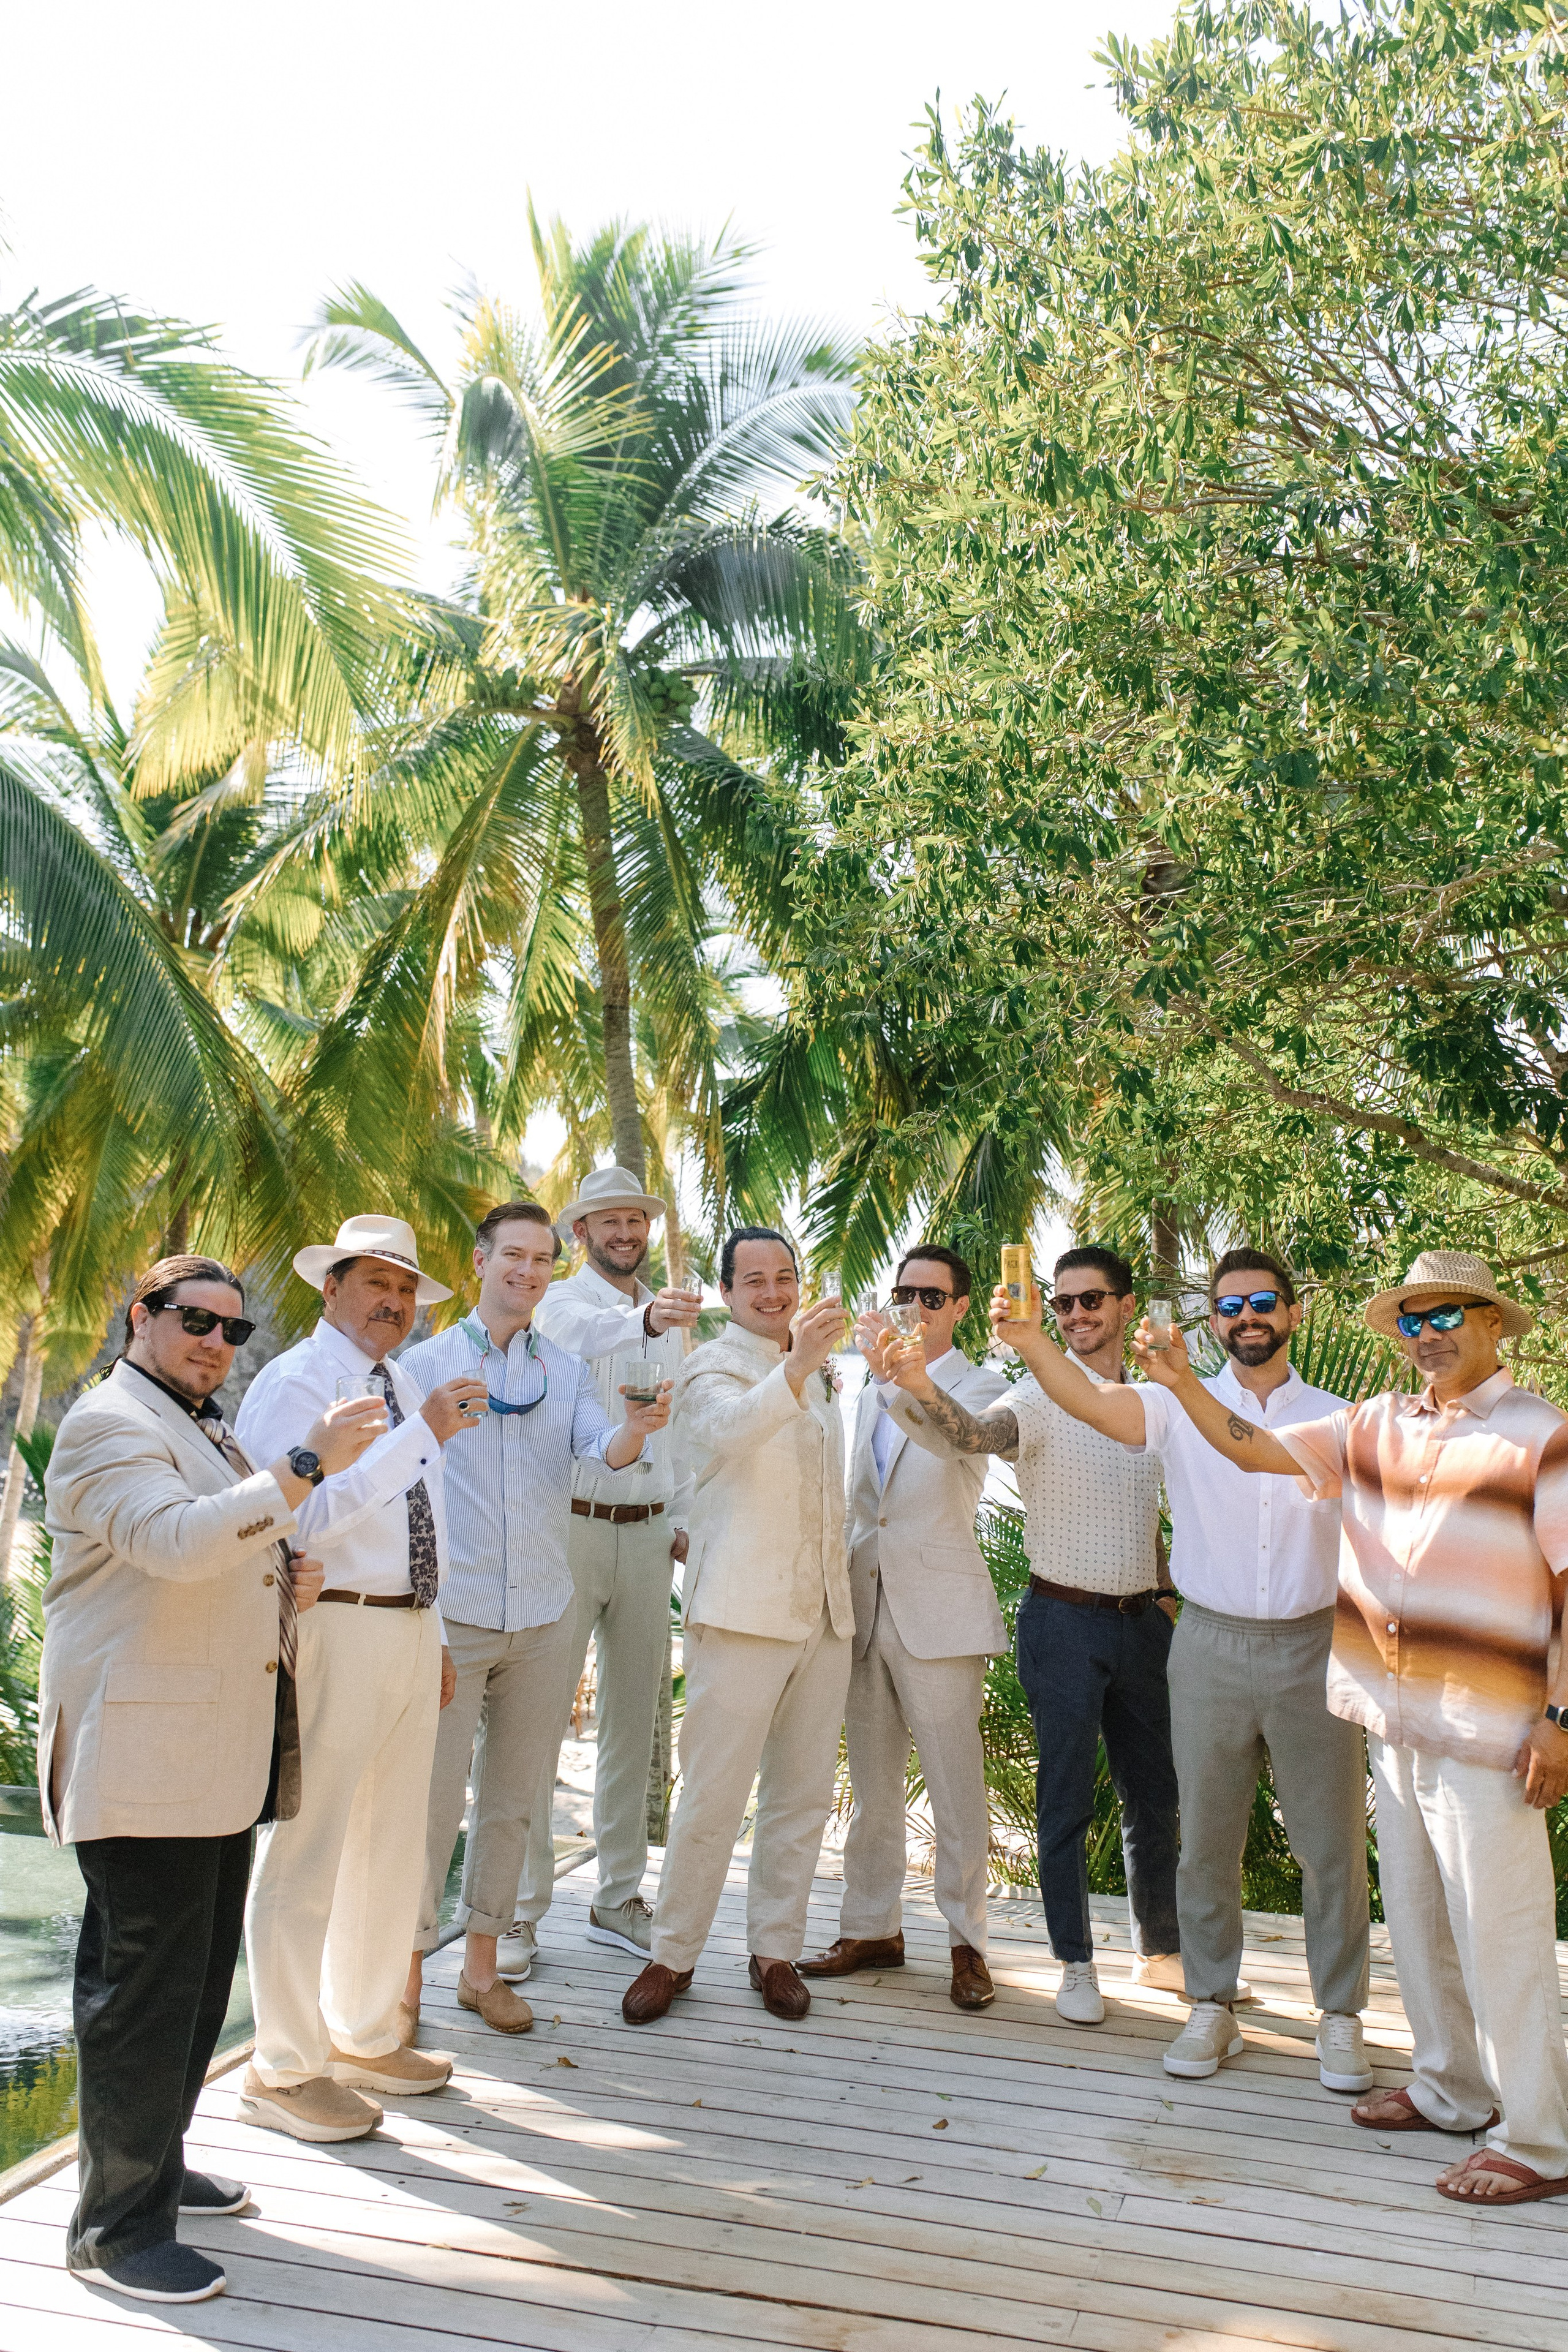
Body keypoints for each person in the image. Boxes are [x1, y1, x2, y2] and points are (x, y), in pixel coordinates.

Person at [1134, 1250, 1568, 2206]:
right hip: (1393, 1719)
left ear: (1495, 1323)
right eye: (1411, 1320)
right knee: (1416, 1920)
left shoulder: (1541, 1436)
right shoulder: (1372, 1425)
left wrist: (1559, 1716)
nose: (1428, 1334)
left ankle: (1540, 2138)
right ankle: (1452, 2088)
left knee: (1502, 1930)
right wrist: (1173, 1381)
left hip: (1492, 1726)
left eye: (1449, 1314)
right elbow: (1250, 1449)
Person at [38, 1254, 381, 2304]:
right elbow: (175, 1543)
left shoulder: (196, 1420)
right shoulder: (108, 1424)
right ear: (140, 1316)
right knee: (142, 1992)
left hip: (208, 1756)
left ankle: (155, 2166)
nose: (214, 1344)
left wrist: (285, 1576)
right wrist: (305, 1467)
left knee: (191, 1990)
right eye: (195, 1322)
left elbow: (217, 1550)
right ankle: (111, 2227)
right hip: (141, 1758)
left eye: (232, 1332)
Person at [962, 1248, 1368, 2091]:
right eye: (1230, 1306)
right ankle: (1210, 2006)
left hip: (1311, 1647)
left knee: (1329, 1847)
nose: (1246, 1317)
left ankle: (1340, 2020)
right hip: (1209, 1644)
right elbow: (1085, 1401)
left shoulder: (1341, 1418)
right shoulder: (1172, 1402)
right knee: (1205, 1841)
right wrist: (1036, 1340)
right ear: (1214, 1321)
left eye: (1263, 1302)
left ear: (1291, 1314)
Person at [873, 1245, 1179, 2028]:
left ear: (1122, 1303)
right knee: (1065, 1801)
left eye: (1090, 1301)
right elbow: (973, 1437)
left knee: (1155, 1797)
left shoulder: (1158, 1401)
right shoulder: (1038, 1397)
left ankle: (1162, 1951)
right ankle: (1074, 1963)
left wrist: (1171, 1591)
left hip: (1146, 1623)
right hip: (1061, 1621)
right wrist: (914, 1385)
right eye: (1064, 1302)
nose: (1075, 1315)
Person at [235, 1215, 489, 2142]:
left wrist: (440, 1630)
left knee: (392, 1844)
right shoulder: (294, 1383)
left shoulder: (401, 1378)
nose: (394, 1303)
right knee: (307, 1847)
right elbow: (301, 1518)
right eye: (376, 1283)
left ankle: (366, 2031)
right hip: (332, 1622)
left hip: (409, 1631)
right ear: (331, 1286)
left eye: (406, 1288)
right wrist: (417, 1435)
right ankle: (284, 2066)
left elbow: (422, 1518)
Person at [401, 1200, 672, 2034]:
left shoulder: (564, 1370)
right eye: (512, 1256)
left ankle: (482, 1971)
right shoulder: (426, 1364)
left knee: (514, 1801)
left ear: (555, 1270)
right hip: (457, 1615)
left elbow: (601, 1450)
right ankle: (402, 1985)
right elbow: (401, 1483)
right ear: (480, 1261)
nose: (526, 1270)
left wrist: (634, 1430)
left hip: (545, 1616)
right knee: (433, 1806)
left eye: (541, 1259)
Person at [622, 1228, 854, 2026]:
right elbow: (725, 1434)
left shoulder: (820, 1375)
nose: (773, 1291)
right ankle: (673, 1954)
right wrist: (795, 1364)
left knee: (801, 1797)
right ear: (727, 1294)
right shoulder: (709, 1367)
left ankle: (776, 1950)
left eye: (784, 1276)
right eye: (753, 1280)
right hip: (741, 1613)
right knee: (713, 1797)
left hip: (823, 1616)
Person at [798, 1246, 1008, 2010]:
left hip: (942, 1612)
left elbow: (956, 1440)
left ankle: (967, 1944)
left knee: (955, 1789)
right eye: (904, 1292)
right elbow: (862, 1503)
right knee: (873, 1786)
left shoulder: (980, 1387)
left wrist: (901, 1383)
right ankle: (871, 1927)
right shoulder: (863, 1391)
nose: (916, 1305)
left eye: (932, 1295)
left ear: (958, 1306)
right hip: (865, 1604)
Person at [526, 1166, 701, 1962]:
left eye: (637, 1221)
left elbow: (685, 1428)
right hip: (573, 1528)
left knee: (636, 1722)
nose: (627, 1233)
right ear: (581, 1235)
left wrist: (685, 1516)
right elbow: (582, 1340)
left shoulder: (665, 1315)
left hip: (648, 1534)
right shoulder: (561, 1303)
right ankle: (518, 1909)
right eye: (610, 1222)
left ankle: (618, 1896)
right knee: (533, 1721)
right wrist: (649, 1324)